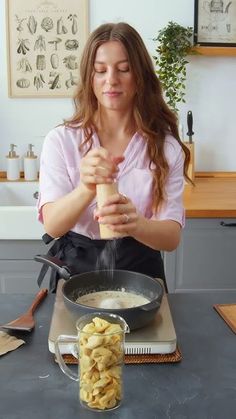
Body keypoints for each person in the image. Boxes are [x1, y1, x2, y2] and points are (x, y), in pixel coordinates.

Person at [37, 22, 190, 292]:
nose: (111, 80)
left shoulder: (165, 147)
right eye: (100, 70)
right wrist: (85, 188)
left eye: (124, 69)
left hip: (141, 267)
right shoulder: (62, 140)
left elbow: (171, 237)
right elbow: (53, 224)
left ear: (140, 75)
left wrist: (137, 224)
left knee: (142, 333)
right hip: (76, 266)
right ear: (89, 77)